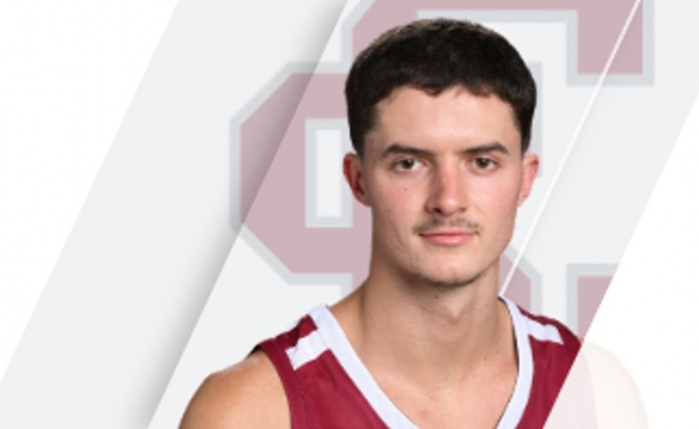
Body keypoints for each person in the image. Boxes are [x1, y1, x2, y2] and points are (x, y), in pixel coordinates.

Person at [181, 18, 581, 428]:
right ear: (358, 180)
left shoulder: (591, 389)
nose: (448, 200)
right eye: (409, 163)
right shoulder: (251, 412)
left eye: (482, 162)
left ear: (526, 179)